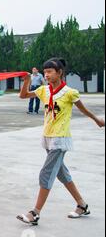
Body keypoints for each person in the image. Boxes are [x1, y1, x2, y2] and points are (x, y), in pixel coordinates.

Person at [17, 58, 105, 225]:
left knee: (46, 173)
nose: (47, 75)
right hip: (48, 137)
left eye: (50, 71)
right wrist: (27, 80)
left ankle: (35, 213)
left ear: (59, 73)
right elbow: (23, 95)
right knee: (62, 174)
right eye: (45, 72)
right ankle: (82, 204)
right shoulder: (44, 90)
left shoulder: (69, 92)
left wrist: (96, 119)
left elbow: (82, 108)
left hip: (60, 139)